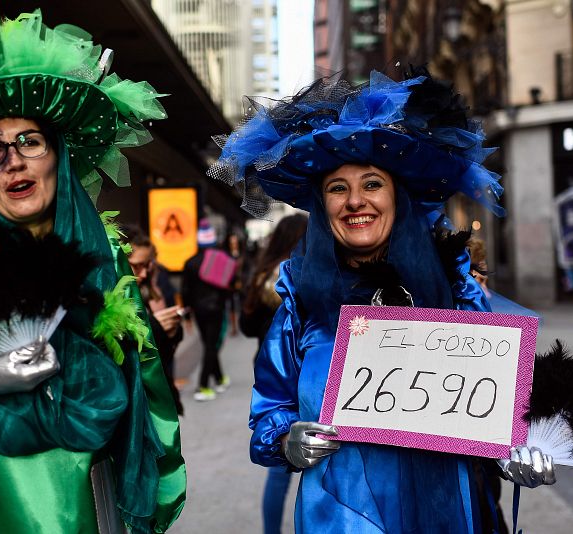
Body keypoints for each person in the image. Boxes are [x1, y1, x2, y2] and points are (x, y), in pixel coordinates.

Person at [209, 68, 555, 532]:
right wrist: (286, 440)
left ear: (397, 197)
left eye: (371, 184)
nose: (356, 201)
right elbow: (270, 410)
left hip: (445, 516)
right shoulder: (300, 300)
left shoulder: (455, 288)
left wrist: (518, 447)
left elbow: (497, 403)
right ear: (323, 206)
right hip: (339, 522)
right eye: (338, 188)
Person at [0, 6, 184, 533]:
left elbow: (150, 410)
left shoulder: (106, 267)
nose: (12, 161)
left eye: (29, 142)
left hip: (77, 516)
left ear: (57, 156)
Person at [240, 213, 308, 534]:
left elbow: (246, 325)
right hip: (303, 371)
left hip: (268, 370)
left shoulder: (262, 274)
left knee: (281, 460)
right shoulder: (302, 276)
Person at [123, 224, 185, 416]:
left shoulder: (148, 288)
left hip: (157, 394)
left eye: (147, 265)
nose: (143, 273)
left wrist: (173, 330)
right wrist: (155, 327)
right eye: (136, 266)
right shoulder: (106, 297)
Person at [181, 219, 232, 401]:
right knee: (211, 345)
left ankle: (219, 378)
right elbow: (228, 286)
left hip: (198, 310)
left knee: (209, 343)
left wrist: (187, 316)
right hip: (216, 309)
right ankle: (202, 386)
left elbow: (185, 290)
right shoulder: (221, 259)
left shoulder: (190, 263)